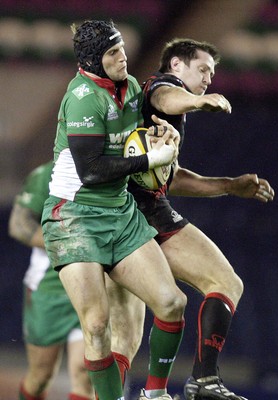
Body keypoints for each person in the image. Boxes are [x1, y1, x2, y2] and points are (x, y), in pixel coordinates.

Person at [41, 20, 187, 400]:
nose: (123, 57)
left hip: (120, 214)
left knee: (172, 303)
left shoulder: (133, 87)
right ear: (92, 60)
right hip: (74, 217)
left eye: (121, 48)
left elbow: (139, 138)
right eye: (112, 52)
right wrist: (150, 160)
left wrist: (162, 135)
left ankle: (155, 395)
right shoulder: (83, 97)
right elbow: (90, 171)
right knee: (97, 324)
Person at [124, 38, 274, 400]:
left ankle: (190, 384)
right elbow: (165, 96)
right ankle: (199, 382)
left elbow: (170, 176)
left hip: (137, 207)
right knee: (218, 283)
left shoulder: (162, 115)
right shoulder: (165, 88)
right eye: (203, 69)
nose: (208, 78)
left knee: (122, 332)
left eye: (211, 73)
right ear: (177, 64)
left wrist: (228, 185)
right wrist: (198, 101)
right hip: (140, 209)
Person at [8, 161, 94, 400]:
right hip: (50, 287)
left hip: (92, 285)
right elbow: (18, 224)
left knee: (84, 374)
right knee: (41, 375)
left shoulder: (112, 170)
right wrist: (67, 246)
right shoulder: (48, 174)